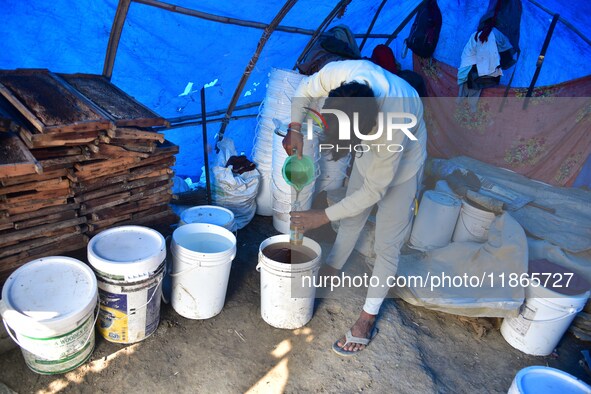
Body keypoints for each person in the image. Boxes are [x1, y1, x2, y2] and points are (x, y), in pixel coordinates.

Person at [283, 59, 427, 356]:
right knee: (353, 215)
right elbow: (305, 89)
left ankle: (367, 317)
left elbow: (375, 189)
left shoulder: (394, 122)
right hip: (369, 144)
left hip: (406, 157)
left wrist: (321, 216)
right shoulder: (345, 75)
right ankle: (334, 266)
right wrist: (294, 127)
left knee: (389, 243)